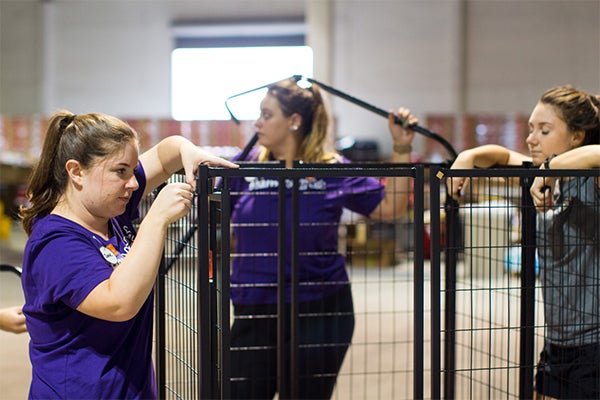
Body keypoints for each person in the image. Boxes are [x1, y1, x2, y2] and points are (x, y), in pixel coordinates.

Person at [19, 111, 237, 399]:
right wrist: (156, 219)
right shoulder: (56, 243)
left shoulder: (110, 208)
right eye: (120, 171)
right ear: (76, 171)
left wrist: (189, 152)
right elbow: (119, 303)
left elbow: (165, 153)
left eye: (133, 170)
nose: (133, 183)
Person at [227, 77, 417, 399]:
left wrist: (401, 146)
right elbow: (206, 204)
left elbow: (390, 206)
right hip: (255, 309)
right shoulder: (242, 170)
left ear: (294, 121)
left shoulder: (331, 170)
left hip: (320, 310)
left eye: (267, 114)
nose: (257, 122)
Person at [448, 85, 600, 399]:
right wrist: (469, 155)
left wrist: (550, 169)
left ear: (577, 136)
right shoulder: (537, 177)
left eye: (544, 130)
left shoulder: (591, 181)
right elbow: (501, 156)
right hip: (557, 343)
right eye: (531, 129)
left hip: (595, 345)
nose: (531, 139)